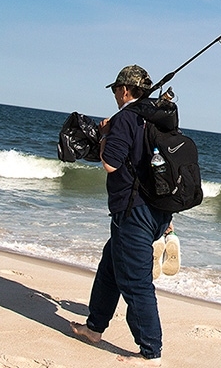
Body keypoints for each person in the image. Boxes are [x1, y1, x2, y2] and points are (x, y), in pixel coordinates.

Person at [71, 65, 173, 366]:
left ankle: (150, 352)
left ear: (125, 90)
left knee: (136, 283)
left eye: (116, 89)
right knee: (110, 268)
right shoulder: (159, 116)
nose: (115, 94)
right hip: (159, 211)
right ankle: (94, 329)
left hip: (134, 211)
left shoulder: (126, 118)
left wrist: (104, 135)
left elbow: (111, 163)